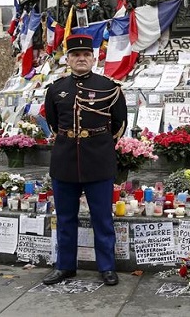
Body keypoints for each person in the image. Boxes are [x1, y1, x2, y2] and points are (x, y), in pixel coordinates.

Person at [43, 34, 127, 286]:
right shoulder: (55, 89)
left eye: (86, 55)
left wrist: (97, 143)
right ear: (67, 59)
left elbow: (119, 124)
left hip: (98, 160)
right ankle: (65, 266)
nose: (81, 59)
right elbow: (54, 124)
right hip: (65, 160)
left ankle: (107, 267)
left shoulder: (109, 87)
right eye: (76, 55)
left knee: (102, 217)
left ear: (93, 58)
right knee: (65, 218)